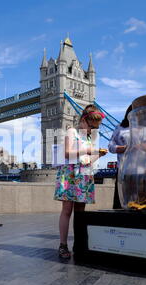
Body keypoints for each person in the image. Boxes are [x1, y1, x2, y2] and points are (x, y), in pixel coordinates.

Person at [54, 104, 107, 259]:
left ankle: (79, 243)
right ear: (83, 120)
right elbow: (67, 153)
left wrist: (98, 155)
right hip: (70, 174)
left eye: (95, 128)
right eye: (91, 126)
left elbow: (88, 160)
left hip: (84, 174)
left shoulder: (89, 137)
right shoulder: (72, 131)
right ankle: (63, 245)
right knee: (67, 210)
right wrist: (88, 150)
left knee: (80, 212)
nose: (92, 130)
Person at [108, 105, 132, 209]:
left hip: (142, 170)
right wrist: (123, 148)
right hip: (124, 169)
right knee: (121, 204)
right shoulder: (120, 127)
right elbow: (110, 146)